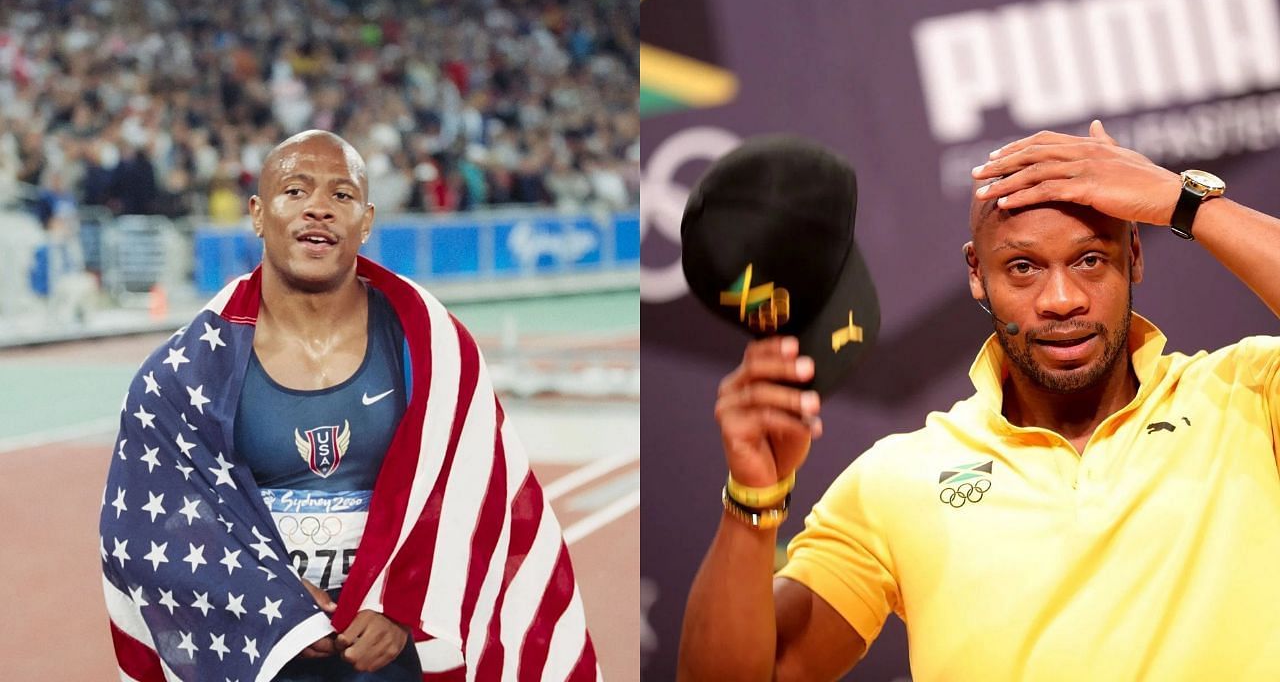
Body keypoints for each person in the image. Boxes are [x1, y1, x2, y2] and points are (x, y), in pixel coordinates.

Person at [678, 121, 1280, 681]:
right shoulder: (896, 479)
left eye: (1090, 260)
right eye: (1022, 268)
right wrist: (752, 498)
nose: (1062, 298)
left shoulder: (1249, 393)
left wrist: (1185, 203)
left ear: (1136, 257)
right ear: (977, 274)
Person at [99, 130, 599, 681]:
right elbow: (148, 531)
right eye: (296, 190)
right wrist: (269, 600)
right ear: (259, 214)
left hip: (391, 651)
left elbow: (479, 495)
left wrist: (404, 603)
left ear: (366, 220)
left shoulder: (432, 349)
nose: (319, 208)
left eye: (342, 195)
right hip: (262, 646)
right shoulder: (186, 370)